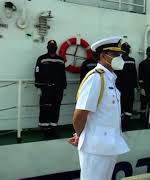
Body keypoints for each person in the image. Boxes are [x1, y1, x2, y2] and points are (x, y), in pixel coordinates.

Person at [68, 37, 130, 180]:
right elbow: (79, 115)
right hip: (95, 148)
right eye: (116, 55)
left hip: (109, 146)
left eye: (120, 55)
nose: (120, 58)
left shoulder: (110, 79)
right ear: (103, 56)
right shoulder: (96, 78)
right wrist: (81, 135)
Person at [34, 40, 67, 138]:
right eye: (51, 46)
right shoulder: (41, 59)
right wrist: (38, 87)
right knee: (45, 107)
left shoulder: (61, 60)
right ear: (47, 47)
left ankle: (53, 127)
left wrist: (64, 87)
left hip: (58, 89)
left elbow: (63, 75)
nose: (52, 48)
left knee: (56, 108)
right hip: (45, 88)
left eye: (54, 46)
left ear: (56, 47)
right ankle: (44, 128)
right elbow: (37, 72)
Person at [114, 42, 138, 131]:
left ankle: (127, 124)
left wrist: (136, 86)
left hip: (130, 88)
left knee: (129, 107)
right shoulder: (116, 60)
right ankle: (120, 124)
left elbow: (134, 74)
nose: (127, 51)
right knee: (120, 107)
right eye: (125, 49)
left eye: (128, 49)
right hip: (120, 88)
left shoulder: (132, 60)